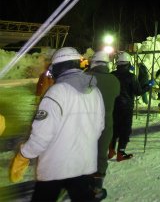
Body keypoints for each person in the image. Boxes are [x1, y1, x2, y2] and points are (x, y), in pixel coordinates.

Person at [9, 47, 105, 202]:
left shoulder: (56, 92)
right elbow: (99, 127)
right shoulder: (95, 92)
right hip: (84, 165)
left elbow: (41, 137)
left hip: (55, 168)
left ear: (59, 67)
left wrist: (23, 155)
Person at [87, 51, 120, 199]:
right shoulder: (114, 80)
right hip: (106, 124)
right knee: (101, 154)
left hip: (87, 123)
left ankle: (82, 184)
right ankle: (97, 189)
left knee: (85, 153)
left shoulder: (87, 78)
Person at [109, 51, 154, 162]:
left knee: (113, 129)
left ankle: (111, 150)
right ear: (128, 63)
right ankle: (121, 153)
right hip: (126, 107)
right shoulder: (131, 76)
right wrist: (148, 85)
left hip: (113, 106)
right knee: (125, 130)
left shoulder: (112, 75)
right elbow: (138, 92)